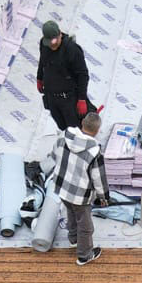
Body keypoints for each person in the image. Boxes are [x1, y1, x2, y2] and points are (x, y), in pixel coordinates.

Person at [48, 111, 109, 266]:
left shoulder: (63, 137)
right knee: (86, 226)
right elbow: (98, 178)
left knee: (70, 212)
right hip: (81, 196)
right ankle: (84, 255)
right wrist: (104, 197)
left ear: (82, 123)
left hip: (62, 189)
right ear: (97, 130)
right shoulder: (94, 152)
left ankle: (73, 239)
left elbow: (54, 157)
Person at [36, 21, 92, 132]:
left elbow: (83, 75)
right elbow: (42, 61)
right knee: (62, 126)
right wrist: (39, 77)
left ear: (60, 35)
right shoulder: (44, 44)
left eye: (54, 41)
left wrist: (82, 98)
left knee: (75, 130)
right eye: (49, 42)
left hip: (68, 99)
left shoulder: (72, 50)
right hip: (52, 97)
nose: (52, 45)